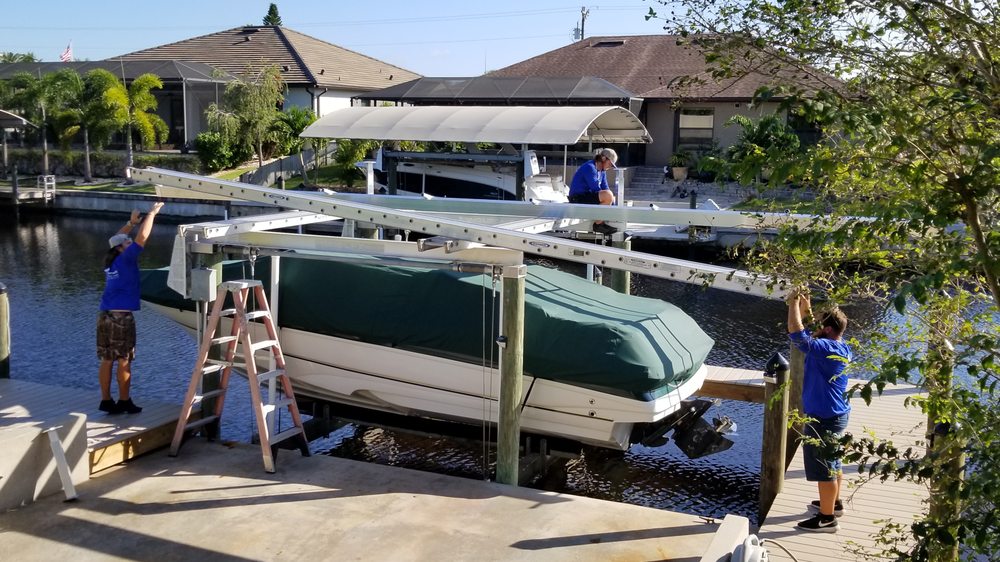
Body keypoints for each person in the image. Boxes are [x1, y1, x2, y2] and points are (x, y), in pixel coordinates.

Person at [787, 290, 852, 533]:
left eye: (820, 324)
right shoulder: (839, 345)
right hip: (837, 413)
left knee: (824, 469)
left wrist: (792, 304)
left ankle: (826, 519)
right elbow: (813, 332)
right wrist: (807, 307)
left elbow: (797, 334)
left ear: (826, 330)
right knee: (833, 462)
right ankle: (833, 504)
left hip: (823, 418)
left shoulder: (823, 348)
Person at [97, 202, 164, 414]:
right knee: (124, 360)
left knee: (107, 359)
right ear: (121, 249)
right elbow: (142, 238)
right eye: (126, 242)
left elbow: (117, 238)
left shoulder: (111, 261)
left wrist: (130, 223)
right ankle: (124, 401)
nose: (129, 242)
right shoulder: (126, 259)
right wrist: (151, 214)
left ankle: (106, 401)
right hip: (121, 319)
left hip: (105, 316)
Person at [569, 148, 618, 235]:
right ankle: (598, 225)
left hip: (587, 196)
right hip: (577, 198)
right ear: (603, 158)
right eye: (610, 164)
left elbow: (605, 187)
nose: (610, 167)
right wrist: (608, 199)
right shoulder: (590, 167)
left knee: (610, 196)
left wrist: (613, 205)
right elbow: (595, 188)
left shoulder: (602, 171)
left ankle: (601, 220)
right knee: (608, 195)